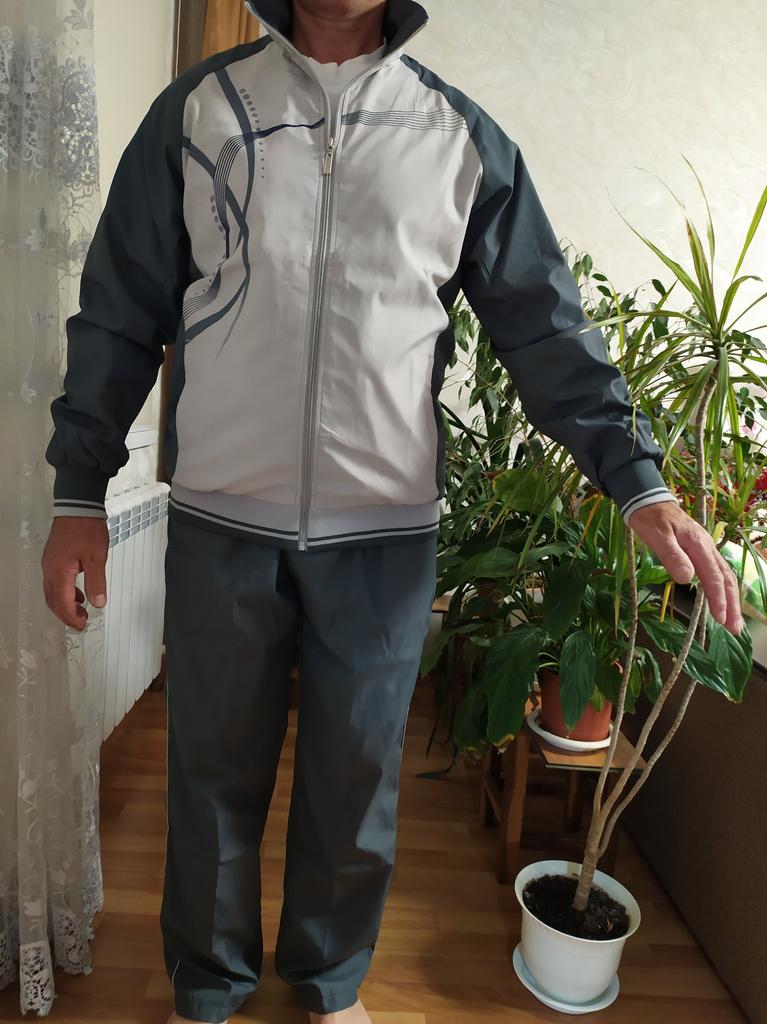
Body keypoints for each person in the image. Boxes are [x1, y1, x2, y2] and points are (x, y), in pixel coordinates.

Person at [40, 1, 743, 1022]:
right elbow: (118, 309)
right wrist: (79, 493)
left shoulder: (458, 138)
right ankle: (207, 986)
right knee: (208, 776)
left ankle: (328, 983)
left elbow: (543, 324)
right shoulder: (199, 111)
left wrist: (636, 480)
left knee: (355, 782)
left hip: (384, 537)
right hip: (222, 523)